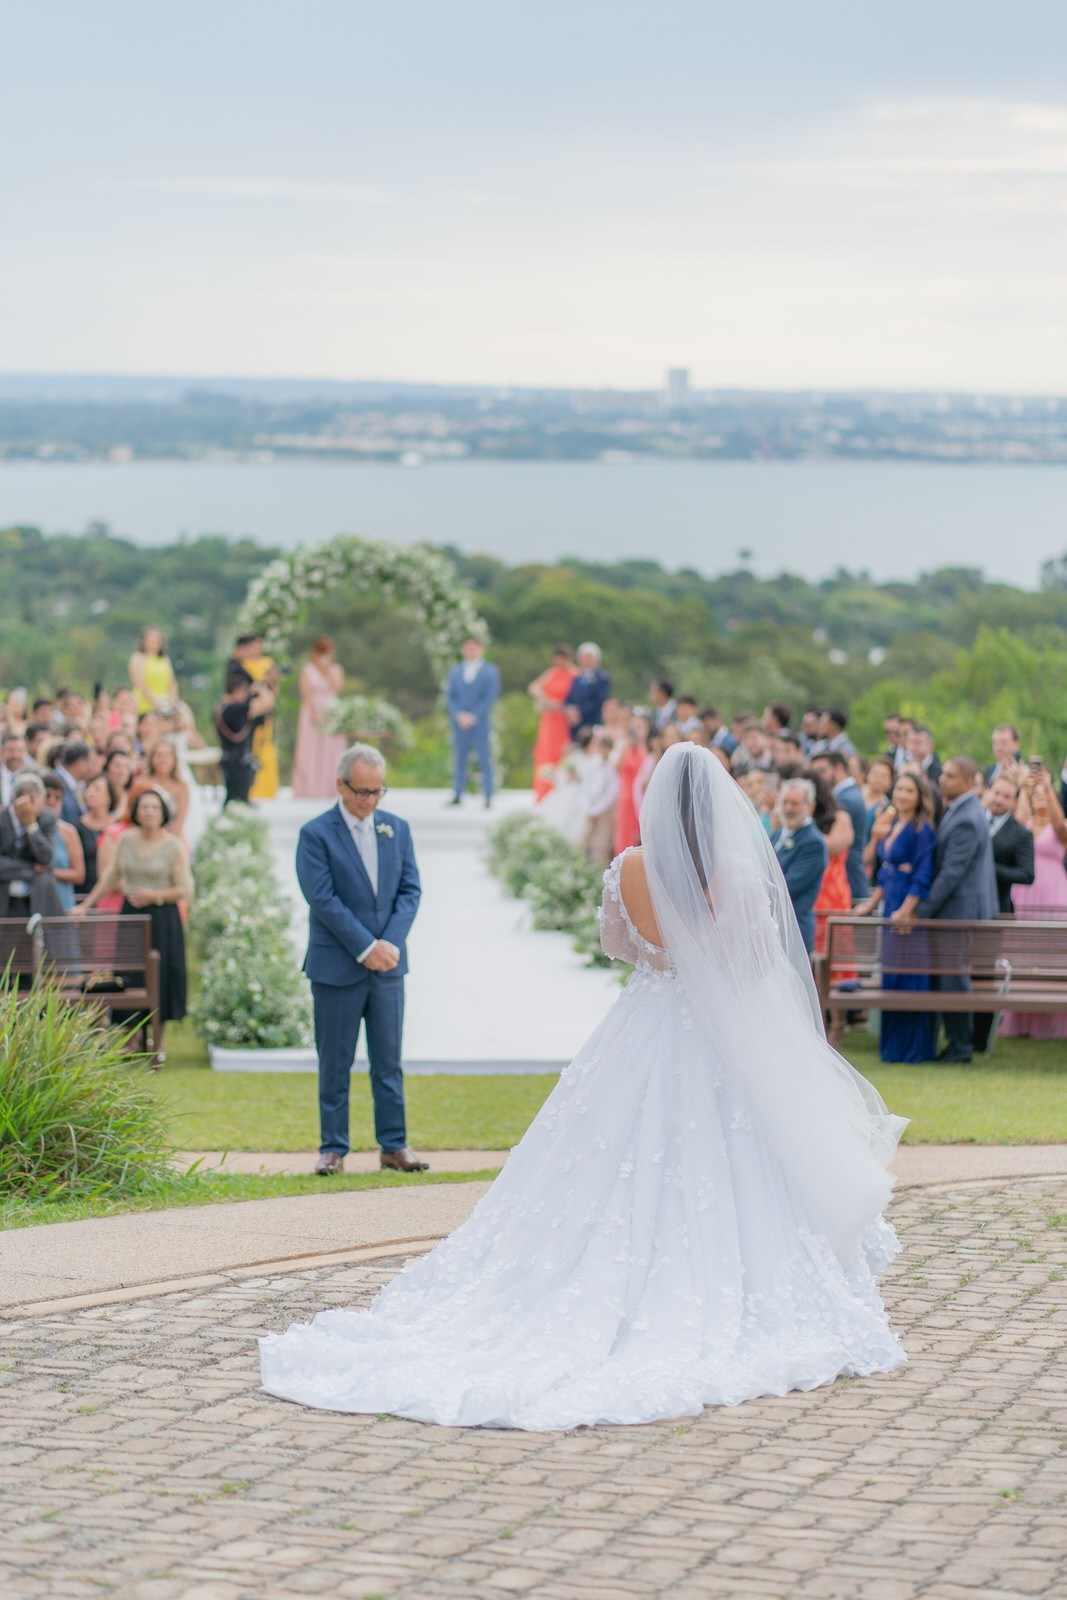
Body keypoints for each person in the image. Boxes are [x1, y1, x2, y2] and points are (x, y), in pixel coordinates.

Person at [261, 743, 905, 1429]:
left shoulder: (629, 867)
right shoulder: (741, 874)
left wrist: (665, 952)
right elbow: (754, 965)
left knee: (598, 1159)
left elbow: (617, 945)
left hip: (646, 1022)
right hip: (719, 1037)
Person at [294, 744, 424, 1176]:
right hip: (337, 967)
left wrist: (388, 944)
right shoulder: (316, 834)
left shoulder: (397, 829)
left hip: (388, 966)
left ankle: (394, 1145)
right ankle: (333, 1147)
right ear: (340, 785)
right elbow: (323, 899)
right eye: (361, 791)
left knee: (389, 1062)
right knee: (335, 1062)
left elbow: (410, 890)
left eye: (377, 791)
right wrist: (366, 948)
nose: (369, 800)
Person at [912, 758, 997, 1064]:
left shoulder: (966, 817)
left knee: (954, 979)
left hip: (958, 911)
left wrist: (922, 909)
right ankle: (955, 1043)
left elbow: (951, 873)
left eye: (949, 775)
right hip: (956, 909)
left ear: (967, 780)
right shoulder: (960, 809)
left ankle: (960, 1046)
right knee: (950, 976)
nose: (942, 780)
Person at [859, 773, 938, 1063]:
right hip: (889, 900)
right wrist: (871, 904)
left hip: (906, 907)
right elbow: (885, 872)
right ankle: (891, 1048)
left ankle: (914, 1049)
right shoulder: (891, 823)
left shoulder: (922, 830)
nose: (903, 795)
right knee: (891, 973)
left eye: (910, 790)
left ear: (919, 796)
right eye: (900, 789)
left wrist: (906, 910)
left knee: (910, 976)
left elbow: (923, 873)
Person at [999, 766, 1067, 1041]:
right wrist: (1024, 787)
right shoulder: (1023, 825)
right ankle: (1020, 1016)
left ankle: (1053, 1018)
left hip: (1053, 891)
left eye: (1043, 794)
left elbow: (1061, 828)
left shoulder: (1058, 826)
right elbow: (1014, 822)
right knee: (1022, 951)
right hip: (1024, 894)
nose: (1039, 797)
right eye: (1035, 794)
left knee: (1052, 953)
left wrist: (1048, 786)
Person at [771, 778, 828, 956]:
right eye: (784, 803)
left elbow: (788, 887)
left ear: (810, 806)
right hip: (771, 927)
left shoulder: (813, 843)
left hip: (793, 929)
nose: (788, 809)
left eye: (794, 804)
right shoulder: (778, 833)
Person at [445, 637, 501, 808]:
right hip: (459, 723)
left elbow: (490, 697)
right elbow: (451, 696)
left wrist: (473, 716)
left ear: (480, 649)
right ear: (463, 650)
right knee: (459, 759)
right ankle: (458, 793)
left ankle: (488, 795)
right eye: (467, 647)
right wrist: (459, 715)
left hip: (480, 724)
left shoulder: (490, 671)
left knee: (484, 759)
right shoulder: (455, 671)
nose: (470, 650)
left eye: (473, 647)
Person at [292, 637, 347, 799]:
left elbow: (338, 688)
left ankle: (332, 786)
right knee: (311, 748)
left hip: (332, 711)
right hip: (312, 711)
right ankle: (309, 787)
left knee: (333, 749)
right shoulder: (308, 670)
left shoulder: (336, 669)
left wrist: (328, 670)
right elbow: (306, 694)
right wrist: (314, 713)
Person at [0, 774, 62, 920]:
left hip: (37, 901)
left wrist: (31, 826)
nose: (41, 807)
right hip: (5, 903)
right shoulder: (2, 819)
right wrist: (31, 869)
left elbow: (46, 858)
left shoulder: (47, 818)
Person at [813, 749, 868, 903]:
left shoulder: (846, 800)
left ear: (838, 768)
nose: (818, 778)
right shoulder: (847, 795)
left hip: (847, 879)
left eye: (822, 771)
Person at [214, 667, 275, 807]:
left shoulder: (220, 706)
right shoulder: (235, 709)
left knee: (231, 799)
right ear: (238, 690)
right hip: (239, 760)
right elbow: (268, 703)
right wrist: (261, 689)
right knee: (240, 801)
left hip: (228, 757)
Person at [528, 646, 577, 799]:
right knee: (545, 754)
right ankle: (543, 791)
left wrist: (556, 704)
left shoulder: (575, 675)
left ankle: (562, 792)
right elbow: (534, 687)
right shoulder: (552, 673)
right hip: (549, 721)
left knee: (563, 755)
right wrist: (543, 699)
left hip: (564, 721)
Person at [40, 773, 86, 911]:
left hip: (62, 903)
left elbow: (79, 874)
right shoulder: (28, 828)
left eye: (58, 797)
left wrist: (48, 872)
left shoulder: (68, 832)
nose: (52, 801)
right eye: (47, 795)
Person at [75, 771, 119, 897]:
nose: (90, 792)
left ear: (109, 797)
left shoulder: (119, 828)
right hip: (84, 894)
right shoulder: (76, 827)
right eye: (88, 788)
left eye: (97, 789)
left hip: (113, 895)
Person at [580, 734, 619, 865]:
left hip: (605, 809)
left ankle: (599, 870)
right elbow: (585, 786)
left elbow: (612, 791)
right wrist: (589, 808)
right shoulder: (592, 763)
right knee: (584, 838)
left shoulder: (612, 766)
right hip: (590, 806)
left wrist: (598, 809)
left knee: (603, 842)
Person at [614, 715, 651, 855]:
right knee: (623, 830)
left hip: (639, 797)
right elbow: (617, 768)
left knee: (636, 829)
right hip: (625, 795)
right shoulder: (627, 750)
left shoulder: (645, 751)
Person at [562, 643, 611, 741]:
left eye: (589, 657)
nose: (587, 660)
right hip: (574, 725)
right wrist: (569, 710)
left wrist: (580, 711)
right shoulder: (576, 678)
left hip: (592, 721)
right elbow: (569, 697)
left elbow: (599, 700)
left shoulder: (602, 679)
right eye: (584, 657)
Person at [145, 738, 190, 840]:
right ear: (152, 758)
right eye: (159, 755)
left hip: (173, 838)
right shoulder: (142, 782)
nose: (163, 759)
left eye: (167, 755)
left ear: (174, 760)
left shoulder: (181, 786)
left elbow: (180, 820)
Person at [129, 627, 180, 717]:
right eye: (151, 641)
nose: (154, 644)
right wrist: (156, 702)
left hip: (165, 702)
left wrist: (172, 701)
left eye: (156, 641)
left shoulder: (165, 659)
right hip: (144, 703)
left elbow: (171, 682)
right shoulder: (138, 658)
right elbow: (140, 683)